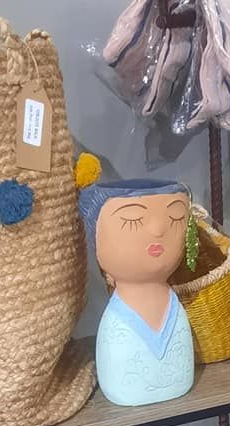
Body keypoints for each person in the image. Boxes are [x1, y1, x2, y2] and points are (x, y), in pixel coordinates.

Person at [75, 155, 196, 406]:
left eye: (175, 217)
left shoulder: (174, 309)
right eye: (132, 220)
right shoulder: (118, 322)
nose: (158, 229)